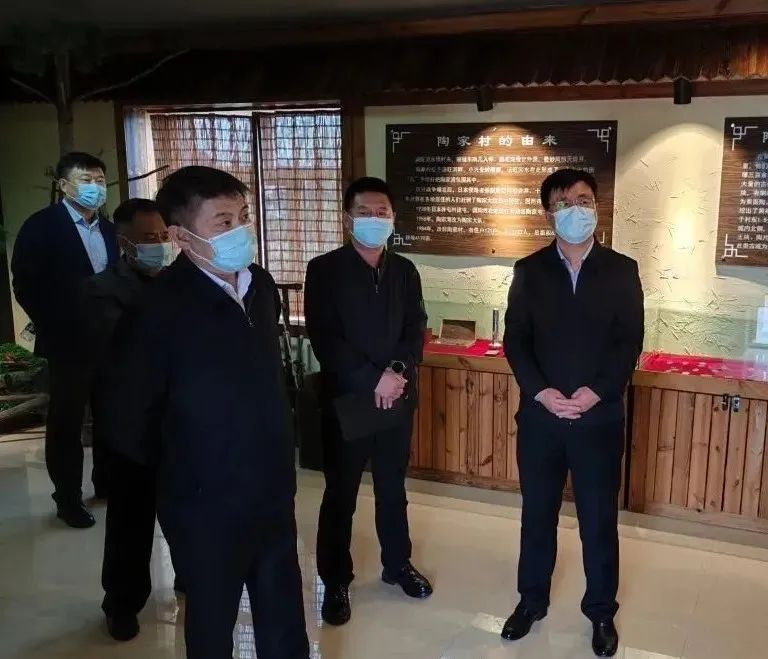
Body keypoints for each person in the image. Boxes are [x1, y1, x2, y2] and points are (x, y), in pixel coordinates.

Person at [103, 166, 309, 659]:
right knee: (212, 620)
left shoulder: (259, 286)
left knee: (283, 616)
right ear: (180, 236)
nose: (240, 231)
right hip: (204, 503)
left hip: (271, 488)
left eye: (243, 216)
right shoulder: (157, 310)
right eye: (223, 222)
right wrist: (186, 474)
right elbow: (129, 419)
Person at [501, 168, 644, 657]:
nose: (575, 210)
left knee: (598, 521)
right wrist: (540, 392)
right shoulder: (529, 270)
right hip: (541, 419)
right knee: (536, 516)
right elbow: (516, 339)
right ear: (549, 214)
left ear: (596, 207)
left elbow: (629, 341)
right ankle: (531, 602)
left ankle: (601, 612)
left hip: (597, 420)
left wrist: (597, 392)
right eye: (564, 203)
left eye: (584, 200)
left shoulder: (622, 270)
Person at [305, 176, 432, 627]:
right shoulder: (324, 270)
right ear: (348, 219)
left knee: (392, 489)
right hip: (350, 401)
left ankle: (397, 565)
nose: (374, 219)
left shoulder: (405, 271)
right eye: (365, 212)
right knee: (340, 495)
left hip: (396, 396)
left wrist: (395, 375)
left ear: (393, 218)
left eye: (382, 212)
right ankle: (335, 580)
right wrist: (370, 379)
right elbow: (325, 337)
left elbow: (415, 328)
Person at [80, 198, 178, 641]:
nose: (159, 244)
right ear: (125, 244)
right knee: (130, 524)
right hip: (131, 431)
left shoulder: (179, 283)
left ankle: (190, 576)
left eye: (163, 236)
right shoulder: (102, 291)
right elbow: (121, 364)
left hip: (180, 427)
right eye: (148, 238)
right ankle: (121, 603)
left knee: (185, 511)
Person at [11, 151, 118, 528]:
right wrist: (57, 324)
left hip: (111, 341)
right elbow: (25, 284)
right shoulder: (41, 226)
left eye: (100, 180)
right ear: (63, 185)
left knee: (111, 416)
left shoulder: (108, 230)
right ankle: (68, 498)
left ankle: (106, 483)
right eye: (86, 180)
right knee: (67, 423)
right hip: (66, 343)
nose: (95, 187)